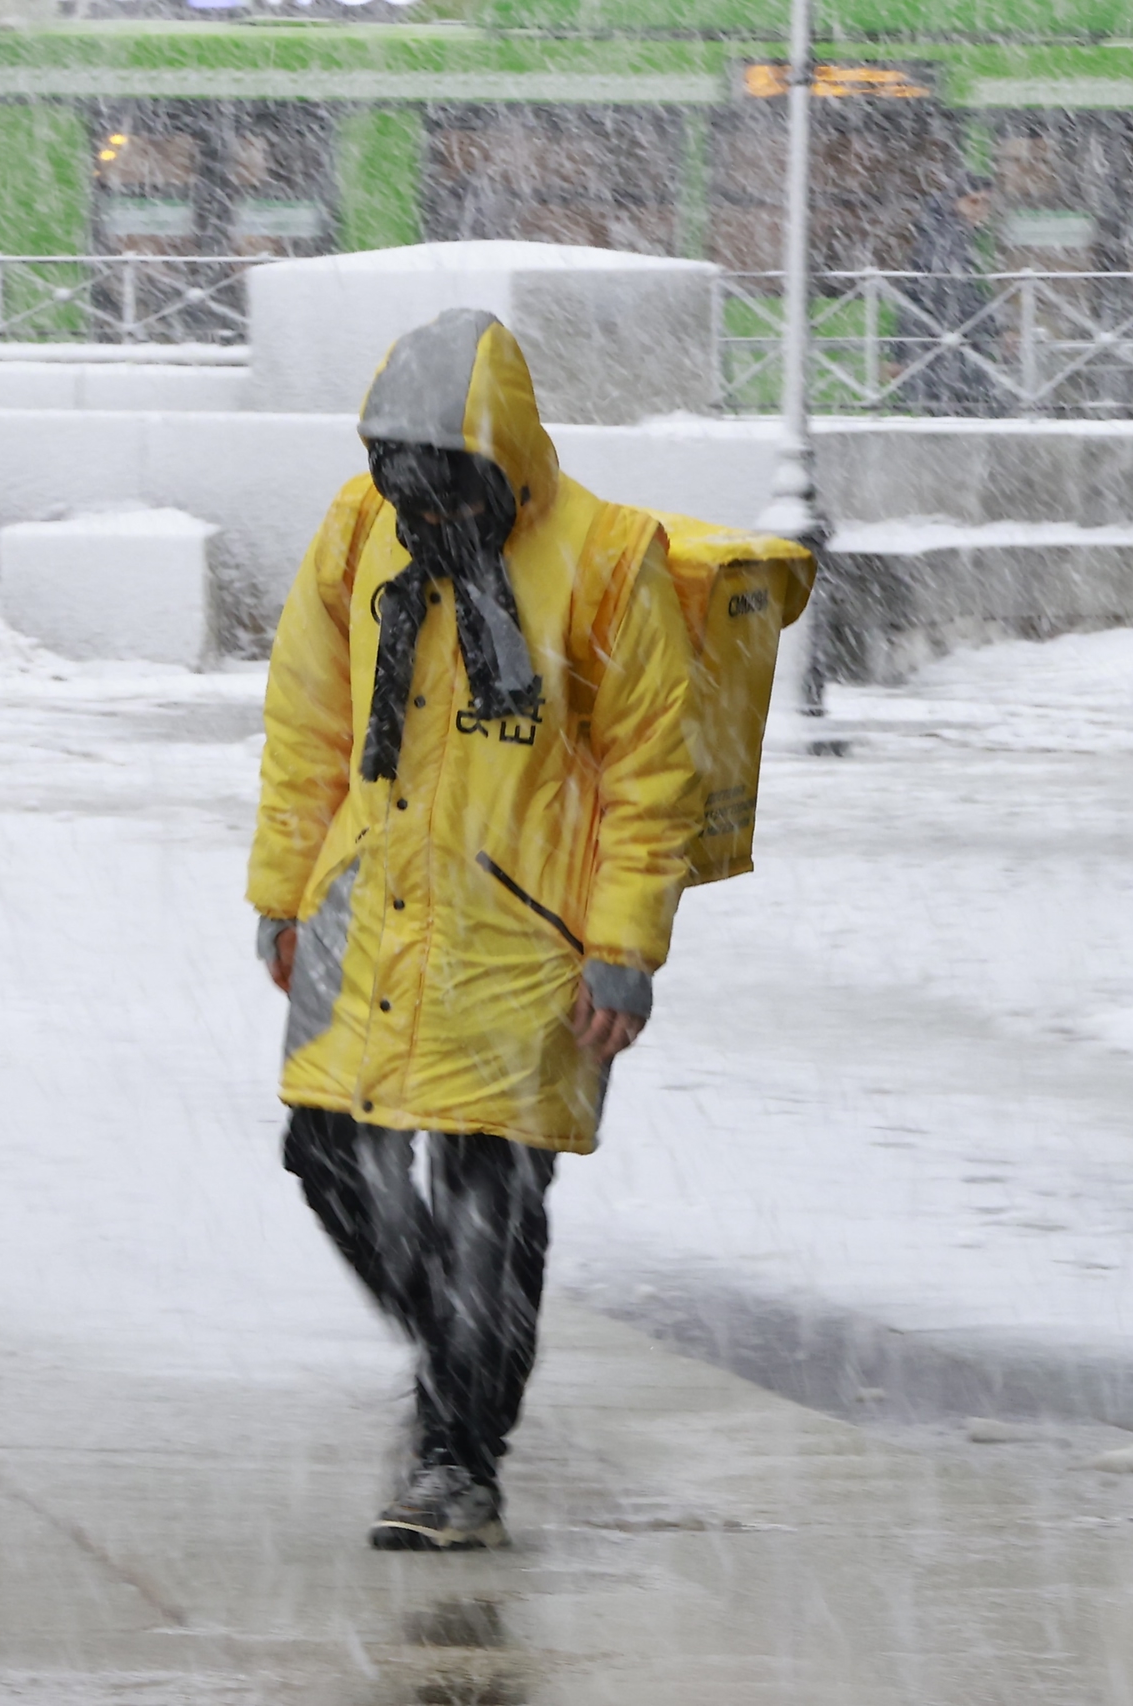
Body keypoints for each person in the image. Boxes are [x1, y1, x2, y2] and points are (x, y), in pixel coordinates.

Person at [248, 309, 698, 1551]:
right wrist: (283, 893)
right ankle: (461, 1354)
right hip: (368, 912)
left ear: (500, 464)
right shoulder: (360, 528)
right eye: (401, 480)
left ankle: (457, 1457)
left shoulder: (607, 559)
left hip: (529, 941)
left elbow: (654, 769)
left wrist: (626, 945)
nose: (422, 512)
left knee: (488, 1204)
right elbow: (308, 726)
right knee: (325, 1152)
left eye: (445, 486)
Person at [900, 174, 1003, 416]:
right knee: (965, 409)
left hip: (940, 342)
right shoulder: (948, 239)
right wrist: (994, 327)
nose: (981, 210)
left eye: (986, 203)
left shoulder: (947, 235)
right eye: (973, 202)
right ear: (953, 203)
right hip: (945, 342)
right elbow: (953, 290)